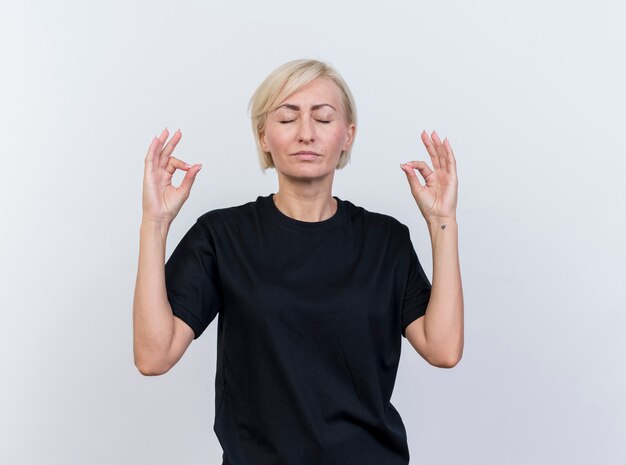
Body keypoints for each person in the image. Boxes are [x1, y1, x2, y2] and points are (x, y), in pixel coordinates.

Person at [133, 58, 463, 465]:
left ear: (347, 136)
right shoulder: (222, 236)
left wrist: (442, 222)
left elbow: (444, 349)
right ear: (264, 137)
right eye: (288, 118)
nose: (306, 133)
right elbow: (153, 356)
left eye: (323, 119)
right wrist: (155, 222)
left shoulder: (386, 241)